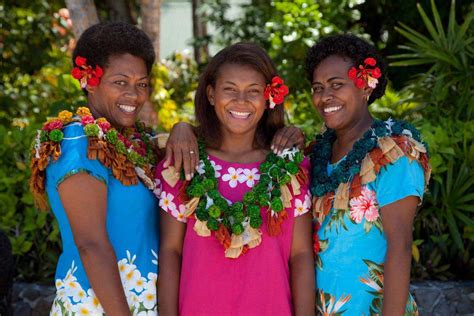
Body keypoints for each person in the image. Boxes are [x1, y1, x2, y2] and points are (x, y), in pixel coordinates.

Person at [157, 42, 315, 315]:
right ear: (210, 94)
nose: (241, 101)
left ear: (268, 98)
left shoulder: (290, 168)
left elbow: (300, 255)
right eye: (230, 89)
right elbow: (171, 252)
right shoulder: (185, 163)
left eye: (253, 91)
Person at [29, 22, 163, 315]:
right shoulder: (77, 142)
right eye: (120, 82)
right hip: (99, 308)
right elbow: (91, 245)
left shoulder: (134, 143)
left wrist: (182, 130)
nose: (134, 95)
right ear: (89, 80)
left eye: (142, 84)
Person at [306, 34, 431, 315]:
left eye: (337, 85)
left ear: (365, 85)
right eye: (318, 87)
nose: (325, 96)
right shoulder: (315, 154)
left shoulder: (393, 154)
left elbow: (400, 246)